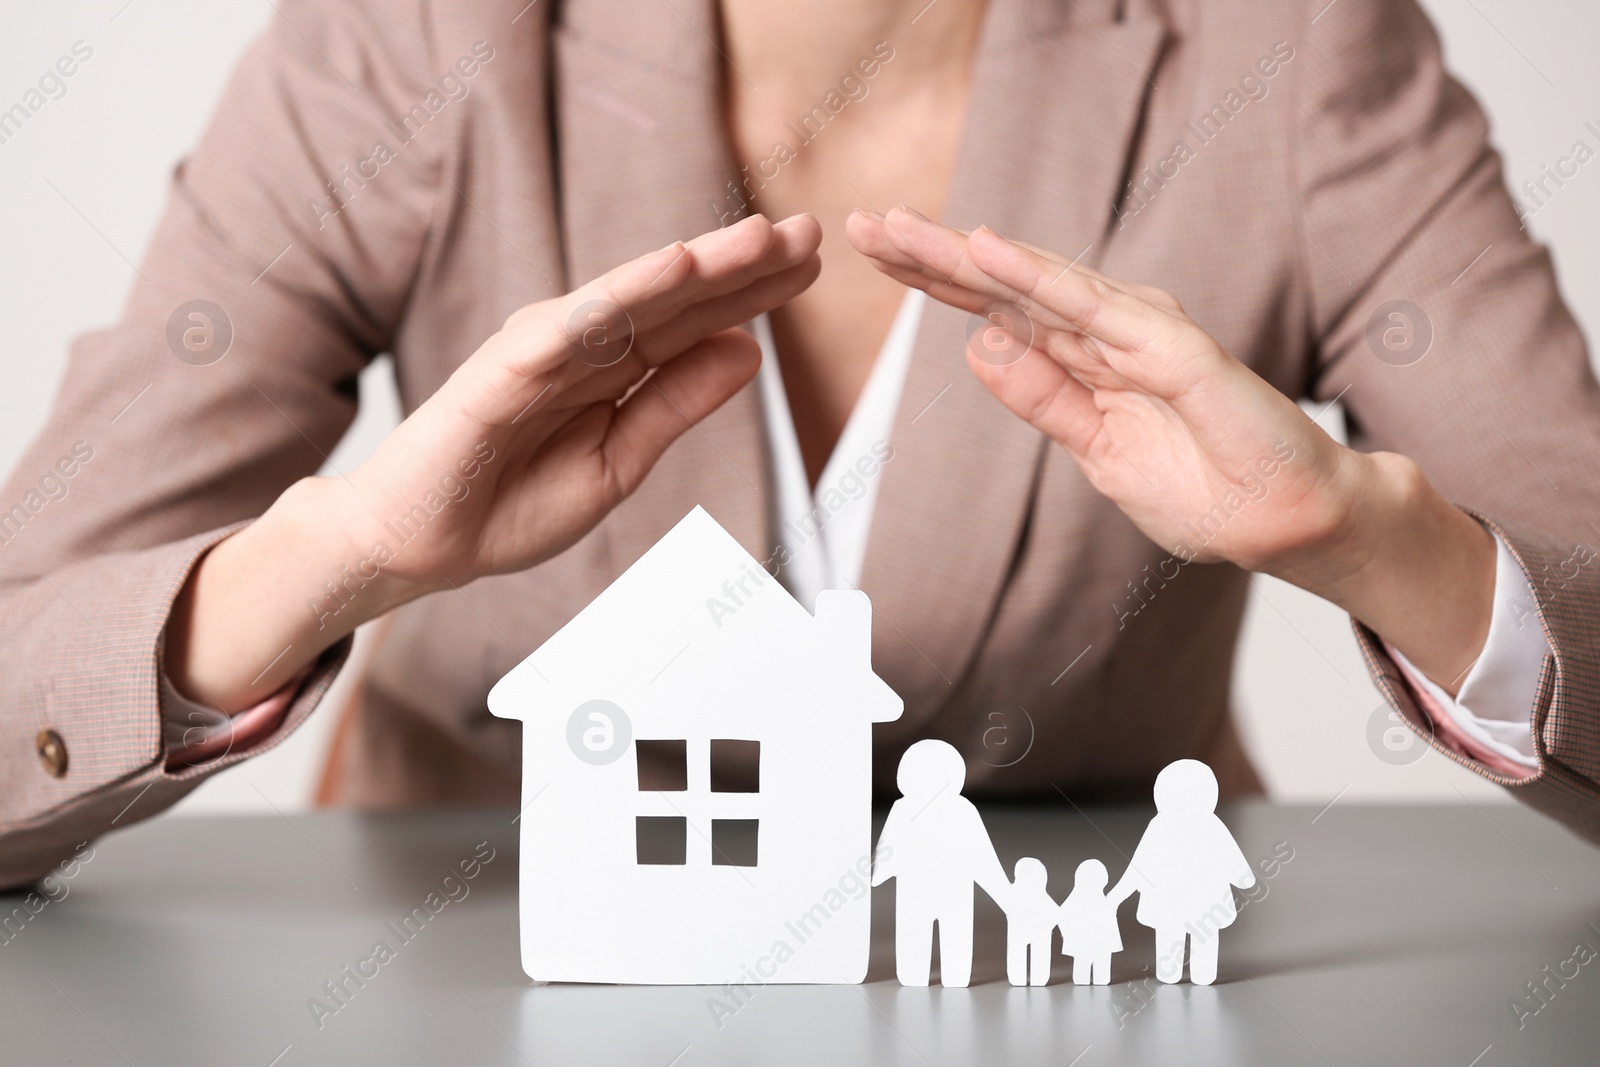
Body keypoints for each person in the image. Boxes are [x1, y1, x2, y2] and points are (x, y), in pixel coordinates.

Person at [5, 0, 1600, 890]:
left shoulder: (1296, 55)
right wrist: (342, 555)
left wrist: (1374, 543)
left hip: (1066, 1000)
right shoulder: (404, 48)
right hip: (482, 992)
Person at [871, 739, 1010, 986]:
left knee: (947, 939)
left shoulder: (958, 809)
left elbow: (982, 856)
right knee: (920, 941)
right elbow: (983, 857)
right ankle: (928, 975)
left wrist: (1006, 897)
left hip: (942, 891)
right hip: (927, 891)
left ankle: (942, 975)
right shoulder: (908, 809)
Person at [1108, 760, 1257, 985]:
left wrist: (1117, 896)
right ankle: (1191, 972)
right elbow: (1140, 865)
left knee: (1179, 932)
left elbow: (1139, 867)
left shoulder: (1166, 825)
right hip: (1201, 900)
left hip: (1177, 900)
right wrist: (1243, 878)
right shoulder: (1207, 825)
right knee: (1196, 932)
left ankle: (1181, 971)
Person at [1059, 858, 1122, 985]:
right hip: (1092, 943)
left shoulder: (1076, 900)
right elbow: (1062, 916)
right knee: (1088, 965)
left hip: (1091, 943)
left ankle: (1094, 978)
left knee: (1095, 965)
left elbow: (1061, 916)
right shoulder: (1101, 901)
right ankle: (1091, 978)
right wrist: (1067, 934)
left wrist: (1067, 935)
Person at [1002, 856, 1059, 986]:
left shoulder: (1037, 896)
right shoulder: (1015, 894)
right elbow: (1056, 914)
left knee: (1031, 953)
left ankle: (1034, 978)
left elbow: (1056, 913)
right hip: (1028, 932)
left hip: (1035, 933)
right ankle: (1027, 978)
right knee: (1021, 953)